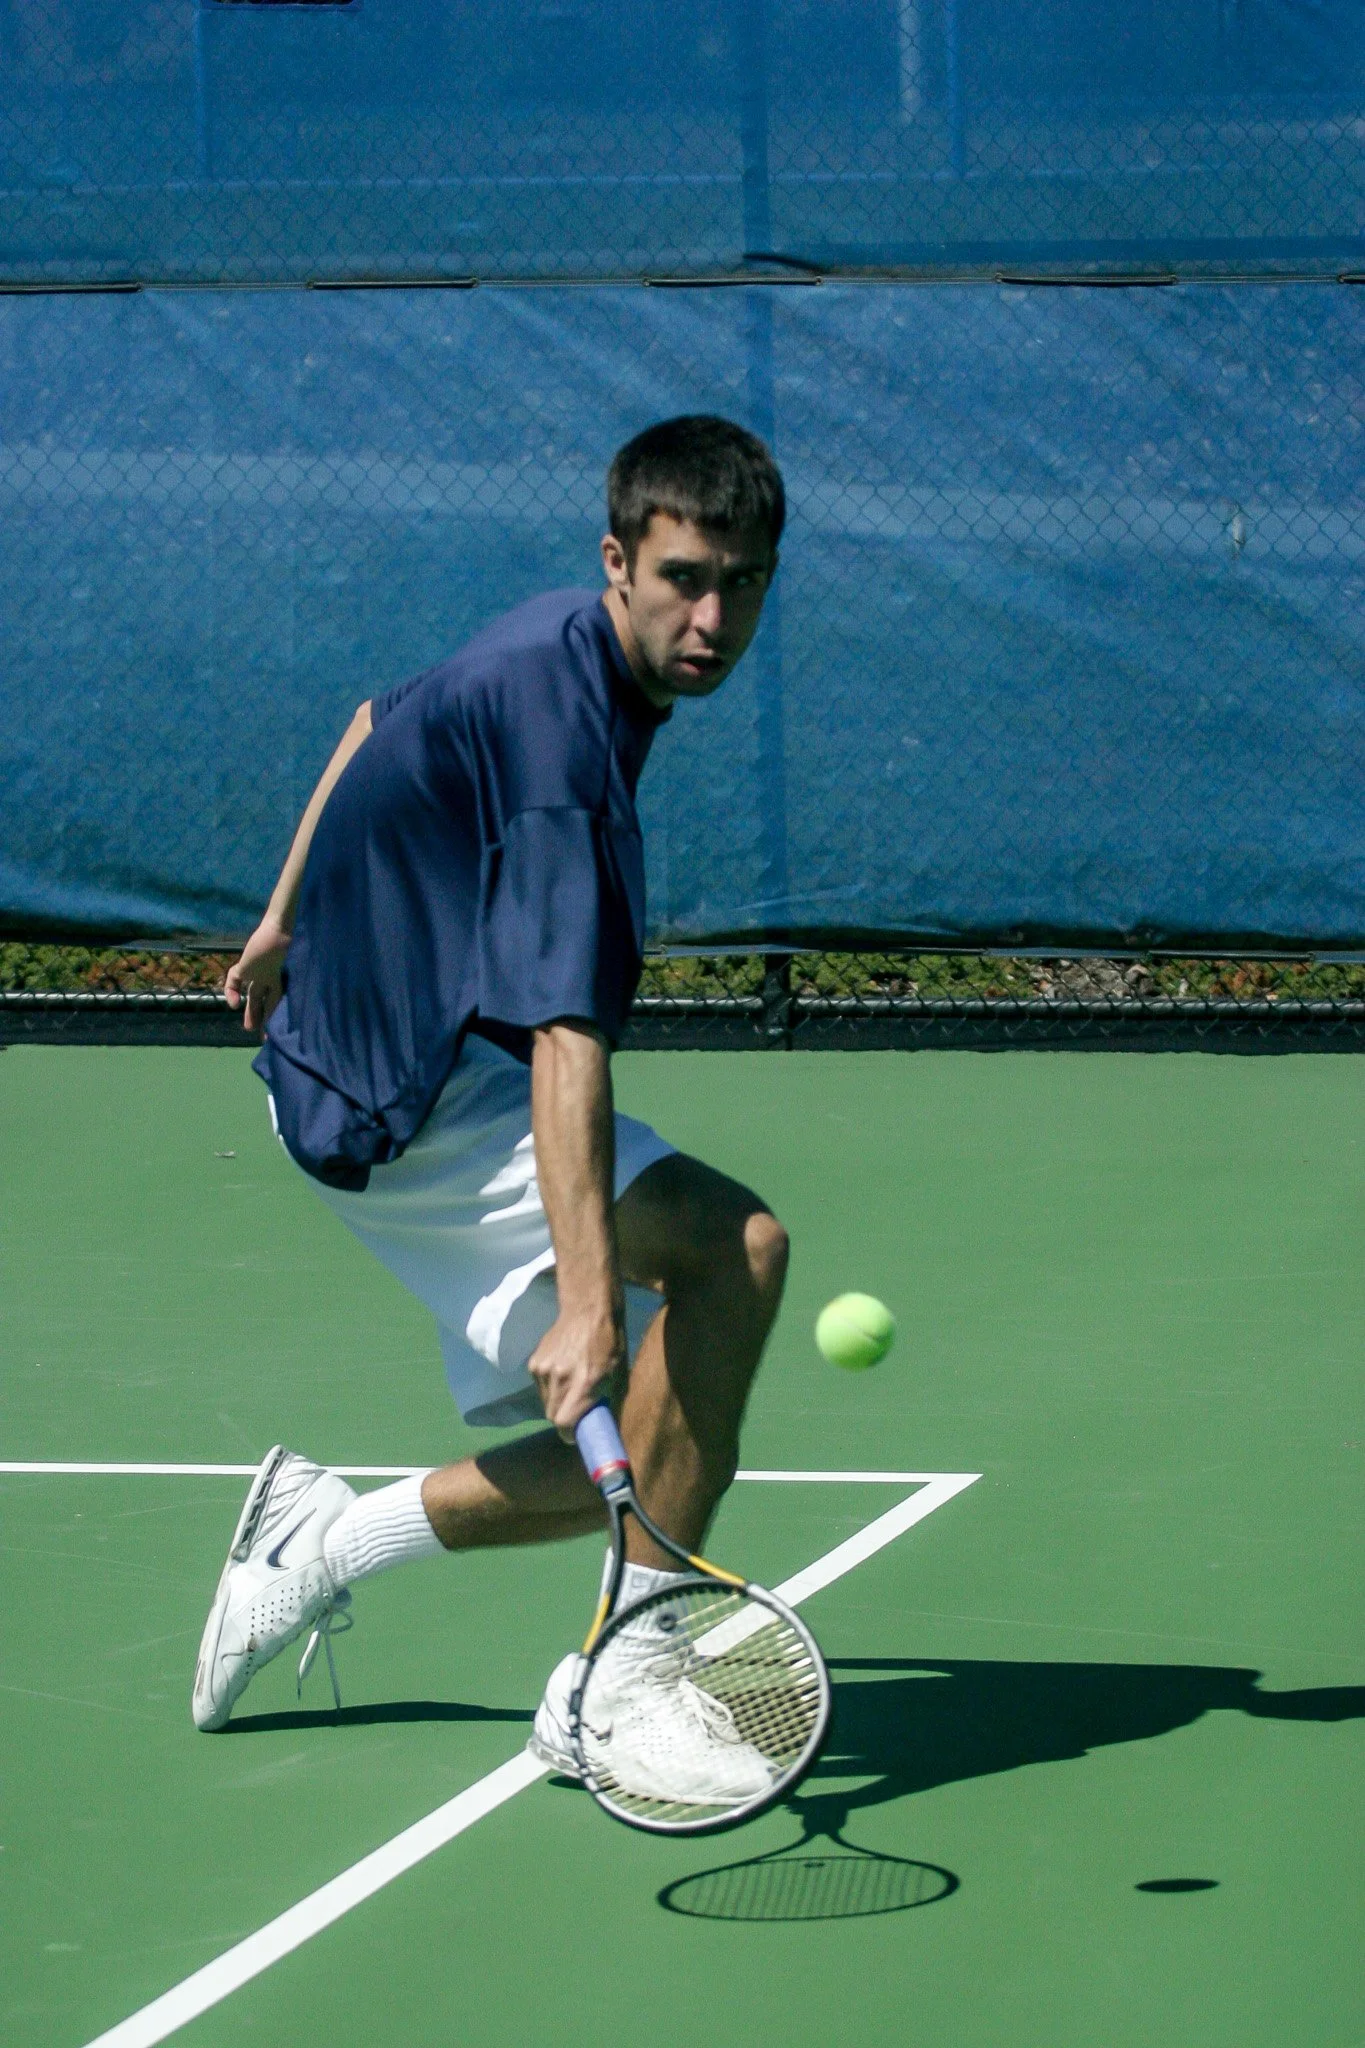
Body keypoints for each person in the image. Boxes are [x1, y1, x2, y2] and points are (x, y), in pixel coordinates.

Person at [192, 416, 791, 1800]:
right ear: (617, 560)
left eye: (745, 583)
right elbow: (566, 1038)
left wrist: (281, 917)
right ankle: (619, 1690)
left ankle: (323, 1545)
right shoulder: (564, 746)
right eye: (687, 577)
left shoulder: (551, 641)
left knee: (658, 1399)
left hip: (409, 1043)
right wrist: (588, 1304)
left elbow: (367, 723)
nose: (713, 617)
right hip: (392, 1102)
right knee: (724, 1269)